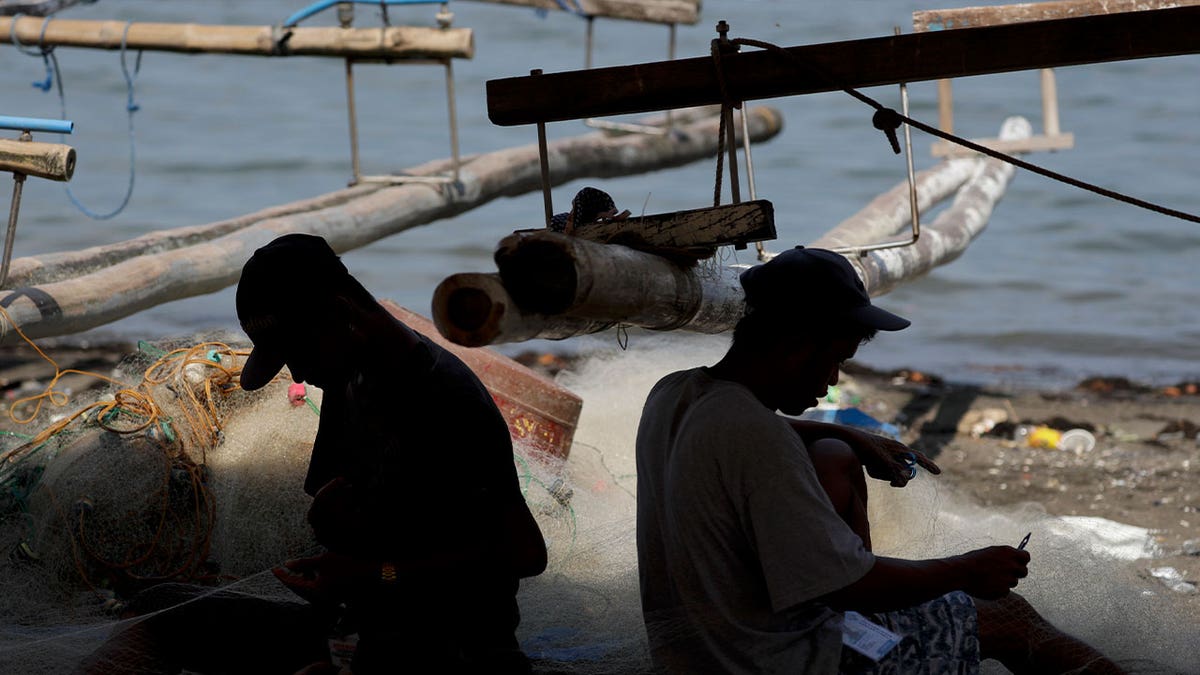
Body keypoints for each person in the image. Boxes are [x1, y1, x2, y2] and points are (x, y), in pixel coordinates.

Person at [635, 246, 1126, 674]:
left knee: (832, 454)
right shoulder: (757, 436)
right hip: (776, 659)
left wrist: (842, 431)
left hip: (696, 652)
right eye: (834, 361)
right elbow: (851, 584)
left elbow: (750, 429)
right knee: (1010, 621)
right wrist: (966, 569)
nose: (831, 380)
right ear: (793, 347)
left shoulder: (675, 393)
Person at [236, 233, 548, 673]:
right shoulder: (348, 377)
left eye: (299, 353)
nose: (300, 372)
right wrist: (330, 532)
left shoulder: (443, 397)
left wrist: (374, 575)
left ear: (342, 315)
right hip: (380, 636)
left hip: (461, 652)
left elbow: (524, 554)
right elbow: (379, 524)